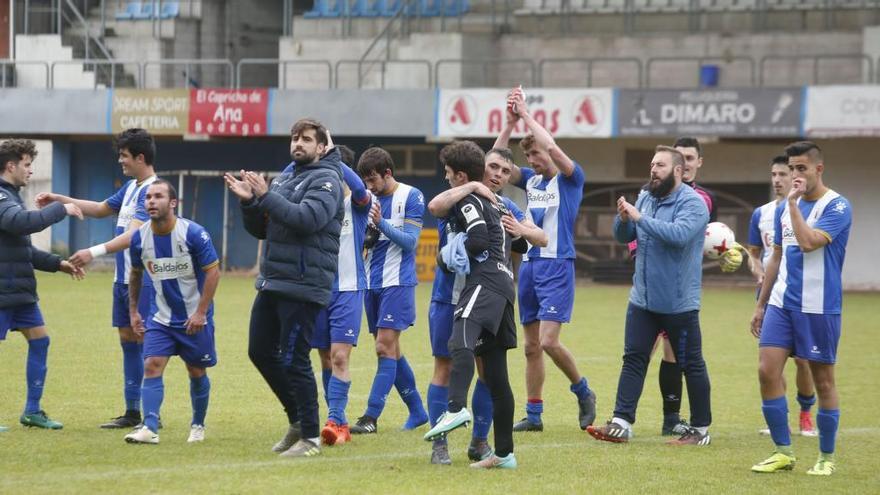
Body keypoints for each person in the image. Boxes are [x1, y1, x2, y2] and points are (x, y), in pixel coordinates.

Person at [225, 118, 344, 458]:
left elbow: (307, 220)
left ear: (321, 147)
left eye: (306, 139)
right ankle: (297, 420)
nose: (298, 144)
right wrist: (251, 202)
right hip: (273, 280)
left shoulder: (327, 180)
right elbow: (265, 230)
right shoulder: (286, 178)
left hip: (304, 285)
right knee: (259, 351)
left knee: (295, 360)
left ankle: (311, 438)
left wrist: (265, 196)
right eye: (295, 138)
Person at [426, 146, 546, 464]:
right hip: (449, 294)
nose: (498, 175)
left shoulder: (502, 205)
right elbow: (436, 205)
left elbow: (541, 237)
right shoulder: (462, 193)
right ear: (481, 168)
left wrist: (522, 230)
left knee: (477, 365)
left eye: (506, 172)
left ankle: (476, 436)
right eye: (493, 167)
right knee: (449, 367)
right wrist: (471, 186)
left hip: (484, 288)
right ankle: (442, 444)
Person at [588, 145, 712, 446]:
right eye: (652, 165)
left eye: (660, 166)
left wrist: (640, 217)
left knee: (690, 364)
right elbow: (624, 237)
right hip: (642, 299)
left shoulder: (693, 204)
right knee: (633, 359)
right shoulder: (646, 197)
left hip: (678, 303)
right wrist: (623, 220)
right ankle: (621, 422)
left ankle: (700, 430)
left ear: (678, 171)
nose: (653, 170)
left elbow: (678, 236)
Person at [35, 128, 158, 429]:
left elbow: (134, 235)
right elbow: (101, 209)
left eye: (124, 156)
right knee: (127, 340)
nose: (120, 161)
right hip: (122, 279)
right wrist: (58, 200)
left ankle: (152, 412)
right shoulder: (131, 188)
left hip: (143, 281)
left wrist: (94, 251)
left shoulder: (154, 190)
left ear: (140, 157)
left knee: (146, 343)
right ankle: (133, 412)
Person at [494, 87, 596, 432]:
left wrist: (526, 114)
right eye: (531, 157)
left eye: (536, 155)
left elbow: (551, 146)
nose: (534, 161)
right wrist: (509, 124)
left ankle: (583, 390)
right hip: (530, 268)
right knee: (531, 346)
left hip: (558, 267)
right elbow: (495, 165)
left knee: (549, 341)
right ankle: (534, 415)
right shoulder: (533, 182)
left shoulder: (571, 179)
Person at [750, 142, 851, 476]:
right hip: (782, 303)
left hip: (819, 307)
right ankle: (783, 452)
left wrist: (792, 204)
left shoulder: (837, 206)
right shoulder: (783, 210)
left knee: (823, 382)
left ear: (818, 169)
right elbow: (777, 256)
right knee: (767, 371)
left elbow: (808, 243)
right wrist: (761, 305)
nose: (795, 176)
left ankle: (825, 457)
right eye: (792, 168)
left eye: (801, 169)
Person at [123, 180, 220, 445]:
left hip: (194, 319)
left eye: (158, 196)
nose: (151, 201)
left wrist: (201, 312)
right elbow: (135, 274)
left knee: (196, 371)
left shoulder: (193, 233)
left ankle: (198, 425)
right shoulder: (139, 238)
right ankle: (149, 427)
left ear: (173, 203)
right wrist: (133, 310)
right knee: (151, 365)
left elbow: (213, 271)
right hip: (161, 318)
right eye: (148, 198)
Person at [0, 138, 84, 431]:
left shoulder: (11, 196)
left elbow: (22, 251)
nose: (30, 171)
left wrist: (57, 264)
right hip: (2, 292)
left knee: (40, 341)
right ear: (10, 166)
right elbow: (22, 223)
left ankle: (32, 411)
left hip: (19, 292)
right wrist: (62, 207)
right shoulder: (1, 197)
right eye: (26, 164)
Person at [350, 147, 429, 435]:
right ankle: (418, 411)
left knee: (383, 347)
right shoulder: (365, 199)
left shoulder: (412, 196)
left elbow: (410, 242)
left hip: (398, 282)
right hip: (370, 283)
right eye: (364, 181)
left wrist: (380, 223)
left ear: (388, 173)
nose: (369, 186)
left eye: (373, 180)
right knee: (390, 349)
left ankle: (370, 417)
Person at [301, 145, 372, 446]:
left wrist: (333, 161)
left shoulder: (355, 206)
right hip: (318, 290)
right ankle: (339, 419)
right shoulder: (314, 205)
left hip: (348, 289)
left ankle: (334, 420)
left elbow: (359, 188)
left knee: (340, 355)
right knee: (326, 357)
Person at [747, 155, 816, 438]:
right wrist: (756, 269)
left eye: (783, 174)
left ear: (795, 178)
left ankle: (805, 414)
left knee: (802, 361)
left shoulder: (808, 211)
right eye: (773, 174)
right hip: (769, 293)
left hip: (802, 296)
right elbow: (753, 253)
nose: (777, 180)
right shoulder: (760, 214)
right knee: (771, 361)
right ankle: (781, 418)